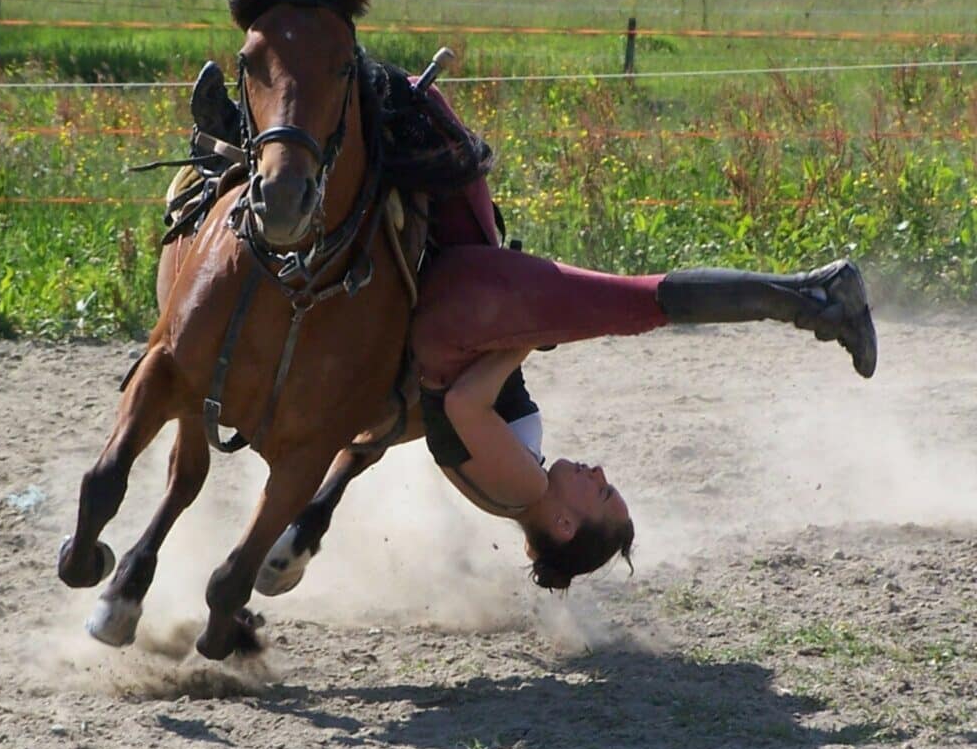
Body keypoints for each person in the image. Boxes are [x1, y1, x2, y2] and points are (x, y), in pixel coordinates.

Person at [185, 60, 877, 592]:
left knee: (633, 299)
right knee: (426, 168)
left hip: (467, 319)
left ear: (567, 523)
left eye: (601, 491)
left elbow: (460, 402)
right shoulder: (508, 490)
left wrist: (532, 334)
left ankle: (814, 296)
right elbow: (413, 424)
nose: (600, 473)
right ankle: (249, 142)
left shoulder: (521, 488)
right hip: (448, 322)